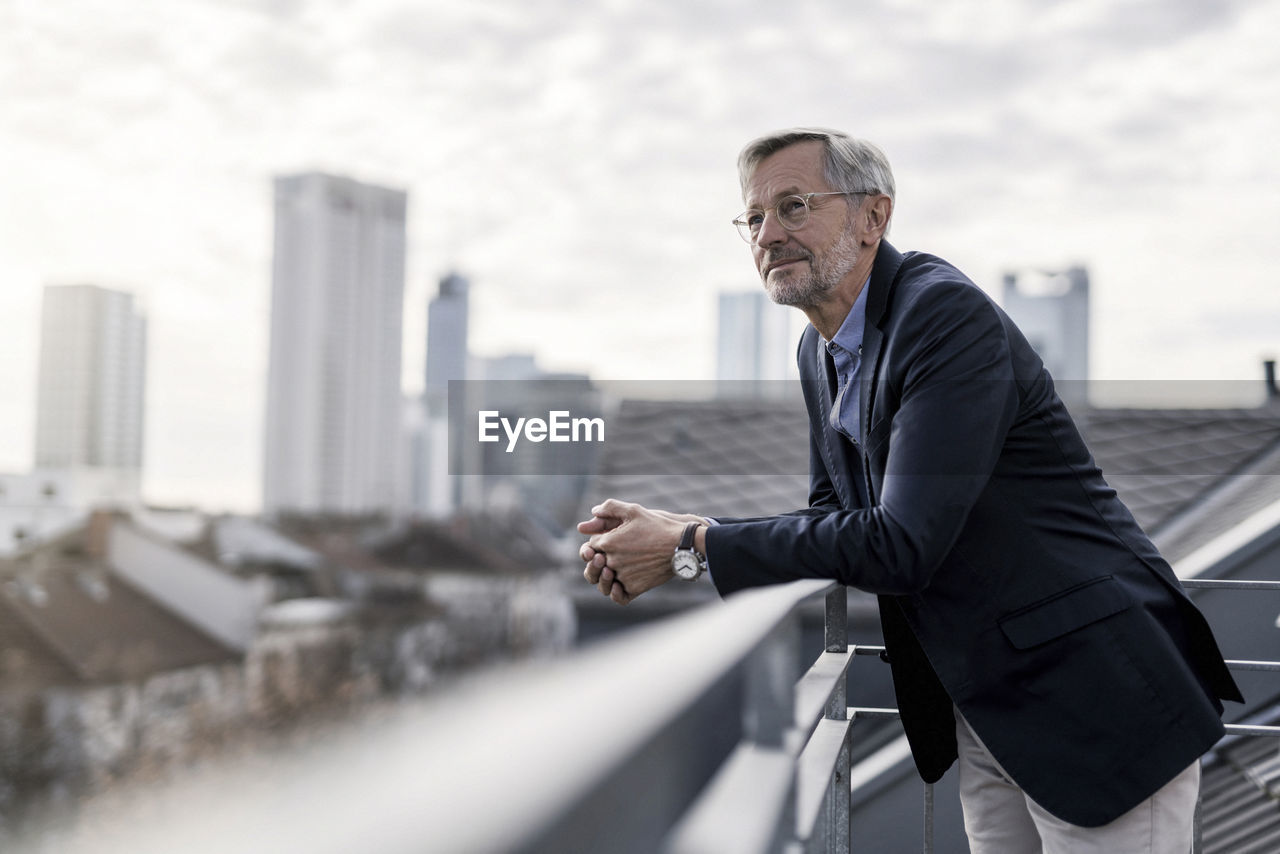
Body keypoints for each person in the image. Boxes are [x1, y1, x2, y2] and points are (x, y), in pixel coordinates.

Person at [578, 128, 1242, 852]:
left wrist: (690, 547)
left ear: (873, 217)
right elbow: (836, 516)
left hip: (1093, 699)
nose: (769, 234)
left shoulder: (943, 317)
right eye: (755, 217)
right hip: (989, 706)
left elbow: (901, 543)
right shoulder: (819, 348)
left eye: (794, 206)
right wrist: (690, 527)